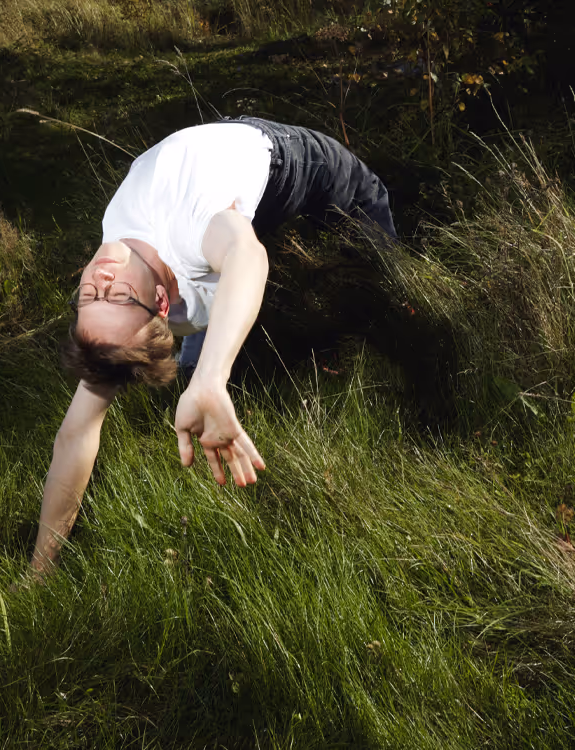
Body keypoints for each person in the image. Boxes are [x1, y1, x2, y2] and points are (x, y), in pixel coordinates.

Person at [30, 116, 398, 576]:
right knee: (203, 322)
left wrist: (211, 376)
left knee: (381, 270)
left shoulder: (185, 229)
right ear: (160, 303)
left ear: (164, 300)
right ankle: (203, 351)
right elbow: (74, 437)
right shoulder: (141, 281)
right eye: (112, 296)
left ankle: (390, 293)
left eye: (91, 294)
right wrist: (39, 571)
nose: (100, 278)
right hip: (209, 203)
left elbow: (249, 255)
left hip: (286, 156)